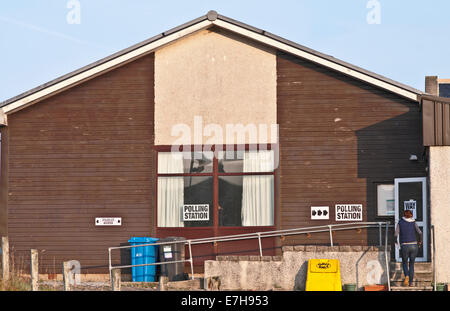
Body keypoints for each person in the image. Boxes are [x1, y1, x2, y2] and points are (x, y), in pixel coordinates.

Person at [394, 210, 423, 287]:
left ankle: (406, 275)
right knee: (411, 264)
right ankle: (411, 283)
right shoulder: (413, 222)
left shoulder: (400, 222)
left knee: (404, 262)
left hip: (405, 245)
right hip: (414, 245)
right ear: (411, 215)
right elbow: (420, 232)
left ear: (404, 215)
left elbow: (396, 234)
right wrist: (420, 241)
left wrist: (396, 241)